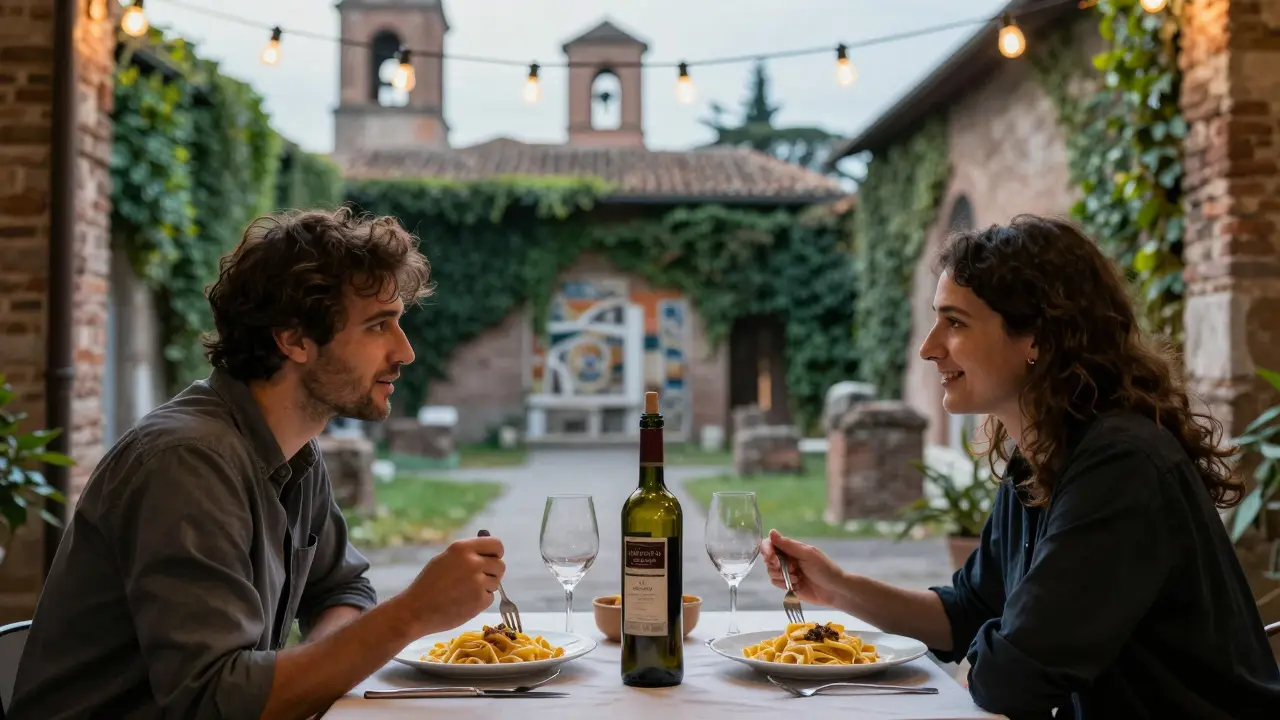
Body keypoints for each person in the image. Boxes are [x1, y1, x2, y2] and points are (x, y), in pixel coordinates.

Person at [762, 215, 1280, 719]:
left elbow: (1016, 677)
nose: (928, 348)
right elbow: (967, 612)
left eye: (955, 323)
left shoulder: (1121, 465)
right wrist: (837, 587)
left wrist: (1003, 639)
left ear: (1036, 337)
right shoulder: (1040, 455)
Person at [9, 208, 507, 720]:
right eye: (379, 325)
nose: (405, 352)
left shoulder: (294, 451)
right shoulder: (188, 463)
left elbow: (343, 588)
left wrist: (312, 677)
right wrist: (411, 614)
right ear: (293, 338)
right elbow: (216, 700)